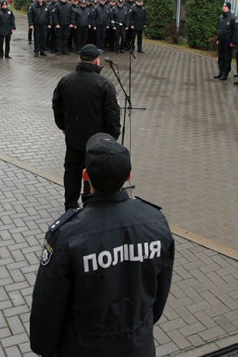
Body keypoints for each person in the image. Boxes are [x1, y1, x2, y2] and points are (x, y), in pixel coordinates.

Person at [29, 133, 174, 356]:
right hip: (138, 346)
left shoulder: (68, 235)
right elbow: (159, 297)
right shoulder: (155, 223)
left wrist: (46, 349)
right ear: (128, 176)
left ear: (85, 176)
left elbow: (47, 306)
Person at [52, 44, 121, 211]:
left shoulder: (66, 80)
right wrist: (112, 137)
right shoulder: (105, 85)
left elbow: (56, 106)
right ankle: (90, 205)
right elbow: (112, 115)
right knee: (92, 173)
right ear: (96, 61)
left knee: (72, 172)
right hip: (96, 142)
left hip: (73, 138)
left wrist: (64, 126)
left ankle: (70, 206)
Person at [215, 2, 236, 80]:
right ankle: (220, 71)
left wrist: (233, 42)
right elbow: (219, 29)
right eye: (223, 6)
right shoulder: (221, 17)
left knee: (227, 57)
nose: (224, 8)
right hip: (221, 40)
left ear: (228, 8)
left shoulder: (232, 18)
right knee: (221, 56)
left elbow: (234, 31)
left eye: (225, 6)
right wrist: (218, 39)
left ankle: (225, 73)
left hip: (228, 41)